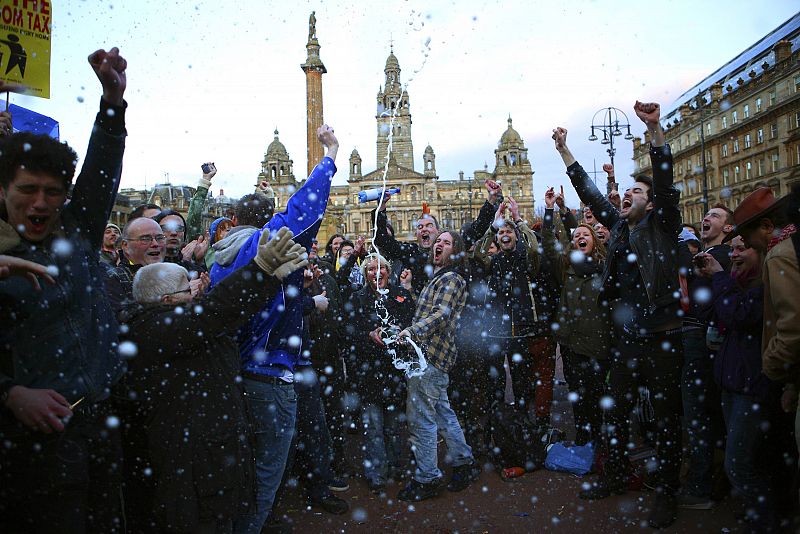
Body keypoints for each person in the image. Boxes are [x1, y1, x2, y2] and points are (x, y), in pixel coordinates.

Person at [0, 46, 128, 532]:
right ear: (2, 192)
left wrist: (112, 101)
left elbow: (101, 168)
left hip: (98, 422)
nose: (40, 203)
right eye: (26, 191)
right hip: (33, 443)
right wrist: (10, 394)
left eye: (52, 193)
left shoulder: (79, 229)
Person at [121, 227, 307, 533]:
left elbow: (225, 315)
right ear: (167, 300)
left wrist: (271, 279)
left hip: (212, 455)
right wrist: (259, 270)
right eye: (187, 288)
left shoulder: (177, 322)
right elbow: (215, 311)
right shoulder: (153, 328)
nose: (196, 288)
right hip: (192, 466)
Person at [553, 101, 683, 529]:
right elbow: (590, 193)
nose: (628, 195)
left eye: (637, 193)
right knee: (615, 413)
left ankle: (666, 492)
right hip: (626, 341)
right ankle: (612, 475)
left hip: (661, 335)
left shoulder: (662, 225)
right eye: (627, 193)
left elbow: (664, 185)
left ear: (653, 203)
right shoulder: (623, 228)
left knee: (666, 420)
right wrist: (565, 153)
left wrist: (655, 132)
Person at [209, 125, 338, 534]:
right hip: (269, 373)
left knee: (243, 465)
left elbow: (257, 302)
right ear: (267, 220)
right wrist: (330, 154)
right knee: (268, 468)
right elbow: (304, 210)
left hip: (235, 371)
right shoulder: (263, 244)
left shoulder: (219, 257)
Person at [694, 236, 780, 528]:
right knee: (747, 458)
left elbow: (736, 314)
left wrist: (719, 277)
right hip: (732, 383)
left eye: (741, 249)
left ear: (762, 251)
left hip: (751, 387)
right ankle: (759, 511)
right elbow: (706, 312)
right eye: (732, 250)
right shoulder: (734, 282)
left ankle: (765, 519)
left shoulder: (766, 287)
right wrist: (711, 280)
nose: (734, 254)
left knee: (739, 464)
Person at [396, 230, 480, 502]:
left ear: (455, 251)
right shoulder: (440, 278)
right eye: (438, 241)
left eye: (446, 242)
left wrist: (411, 332)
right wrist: (411, 293)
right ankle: (464, 462)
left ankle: (428, 478)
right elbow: (430, 308)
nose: (438, 245)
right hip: (433, 357)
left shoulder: (452, 278)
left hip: (429, 357)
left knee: (422, 420)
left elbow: (441, 315)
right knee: (443, 413)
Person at [542, 187, 610, 446]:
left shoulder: (605, 268)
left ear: (596, 242)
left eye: (586, 235)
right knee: (577, 395)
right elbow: (548, 243)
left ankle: (600, 441)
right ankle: (584, 439)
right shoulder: (566, 266)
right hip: (571, 343)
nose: (581, 236)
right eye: (577, 235)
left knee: (596, 394)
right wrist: (550, 210)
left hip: (597, 342)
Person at [678, 204, 733, 510]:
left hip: (702, 339)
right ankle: (715, 479)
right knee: (707, 413)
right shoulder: (708, 258)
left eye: (715, 215)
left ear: (728, 228)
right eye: (706, 214)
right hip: (701, 337)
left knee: (698, 414)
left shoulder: (720, 257)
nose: (706, 218)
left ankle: (700, 486)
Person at [345, 253, 415, 493]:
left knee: (395, 426)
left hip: (395, 373)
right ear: (365, 275)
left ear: (388, 271)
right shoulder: (356, 299)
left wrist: (400, 333)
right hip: (369, 375)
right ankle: (376, 473)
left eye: (381, 268)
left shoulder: (402, 296)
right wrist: (368, 336)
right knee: (373, 427)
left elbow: (411, 326)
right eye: (371, 270)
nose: (377, 273)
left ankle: (396, 467)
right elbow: (349, 335)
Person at [474, 197, 542, 419]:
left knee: (522, 384)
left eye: (509, 231)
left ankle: (522, 424)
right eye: (501, 232)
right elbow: (479, 253)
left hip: (521, 328)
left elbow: (533, 246)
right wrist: (493, 225)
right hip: (495, 330)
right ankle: (498, 425)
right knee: (495, 384)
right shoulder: (493, 262)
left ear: (515, 237)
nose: (505, 234)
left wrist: (519, 219)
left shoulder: (525, 259)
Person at [375, 179, 502, 294]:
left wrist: (491, 199)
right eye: (420, 227)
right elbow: (383, 241)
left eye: (429, 225)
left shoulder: (452, 247)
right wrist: (381, 208)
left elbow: (476, 229)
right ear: (416, 235)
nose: (424, 229)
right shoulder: (411, 253)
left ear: (438, 230)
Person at [105, 217, 167, 313]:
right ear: (125, 246)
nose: (155, 244)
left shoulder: (176, 272)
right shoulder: (113, 278)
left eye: (160, 238)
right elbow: (122, 319)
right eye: (145, 239)